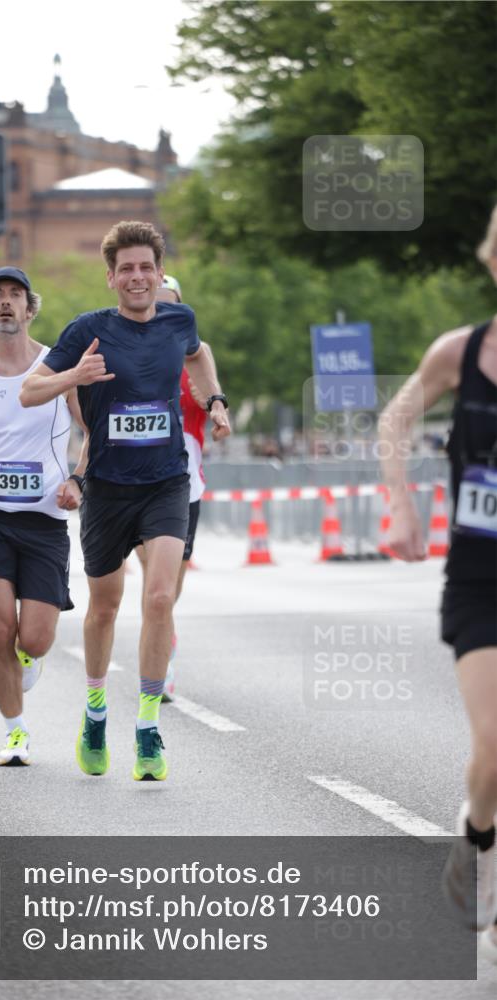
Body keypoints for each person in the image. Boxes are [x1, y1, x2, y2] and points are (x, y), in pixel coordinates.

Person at [21, 220, 231, 781]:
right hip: (108, 487)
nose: (137, 278)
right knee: (106, 607)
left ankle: (146, 728)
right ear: (111, 277)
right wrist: (73, 375)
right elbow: (28, 390)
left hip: (167, 480)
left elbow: (199, 353)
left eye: (146, 268)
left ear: (159, 274)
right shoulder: (86, 330)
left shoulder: (178, 320)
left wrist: (214, 399)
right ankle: (94, 711)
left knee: (160, 598)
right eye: (127, 269)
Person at [378, 207, 497, 959]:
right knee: (494, 742)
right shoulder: (461, 351)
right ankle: (475, 845)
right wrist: (401, 505)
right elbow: (394, 420)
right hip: (480, 577)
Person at [0, 266, 87, 767]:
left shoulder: (58, 366)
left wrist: (77, 480)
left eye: (15, 296)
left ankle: (27, 659)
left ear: (30, 309)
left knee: (36, 639)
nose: (6, 303)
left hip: (45, 517)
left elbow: (90, 434)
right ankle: (15, 731)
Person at [134, 274, 221, 701]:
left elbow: (213, 398)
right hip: (134, 480)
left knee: (168, 591)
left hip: (186, 485)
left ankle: (163, 644)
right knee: (155, 586)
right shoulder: (128, 351)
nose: (162, 312)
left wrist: (219, 410)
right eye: (156, 303)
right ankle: (159, 668)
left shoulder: (197, 355)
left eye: (171, 305)